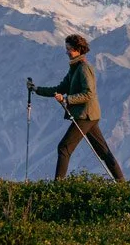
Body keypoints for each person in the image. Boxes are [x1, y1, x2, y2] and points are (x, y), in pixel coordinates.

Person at [33, 33, 124, 181]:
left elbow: (89, 93)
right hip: (89, 115)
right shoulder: (74, 68)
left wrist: (67, 99)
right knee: (103, 151)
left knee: (64, 148)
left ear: (78, 49)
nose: (67, 52)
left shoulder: (84, 68)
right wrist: (37, 90)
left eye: (69, 49)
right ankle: (122, 184)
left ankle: (58, 187)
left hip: (85, 115)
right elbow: (60, 88)